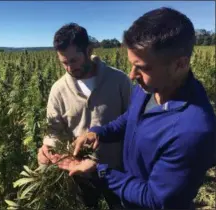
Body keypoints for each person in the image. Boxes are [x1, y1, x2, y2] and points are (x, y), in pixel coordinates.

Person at [57, 7, 216, 209]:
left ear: (180, 64)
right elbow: (130, 118)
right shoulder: (150, 87)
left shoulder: (192, 131)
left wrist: (101, 171)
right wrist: (99, 133)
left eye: (142, 67)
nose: (132, 75)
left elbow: (156, 198)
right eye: (132, 65)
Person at [37, 23, 133, 209]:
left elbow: (133, 121)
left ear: (89, 50)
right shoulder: (58, 90)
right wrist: (48, 146)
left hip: (116, 171)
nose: (69, 68)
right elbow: (54, 130)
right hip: (79, 172)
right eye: (64, 62)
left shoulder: (119, 81)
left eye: (74, 60)